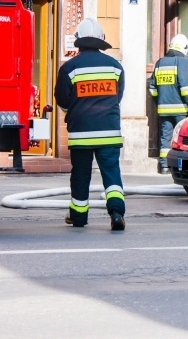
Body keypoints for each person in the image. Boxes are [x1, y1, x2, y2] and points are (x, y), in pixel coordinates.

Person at [55, 18, 126, 231]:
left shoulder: (69, 68)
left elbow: (63, 99)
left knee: (81, 175)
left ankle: (78, 217)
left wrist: (74, 111)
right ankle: (116, 213)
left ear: (79, 41)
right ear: (101, 40)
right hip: (109, 132)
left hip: (81, 133)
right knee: (111, 173)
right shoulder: (116, 67)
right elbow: (117, 96)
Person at [149, 34, 188, 174]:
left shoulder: (160, 62)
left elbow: (152, 88)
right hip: (181, 110)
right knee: (182, 138)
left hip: (164, 110)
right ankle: (180, 167)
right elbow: (186, 87)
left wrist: (160, 102)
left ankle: (164, 166)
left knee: (166, 137)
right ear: (184, 48)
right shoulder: (181, 62)